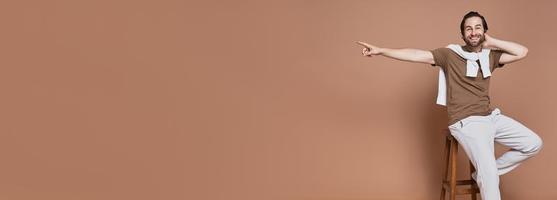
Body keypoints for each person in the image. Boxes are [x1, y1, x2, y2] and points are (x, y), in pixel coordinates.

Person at [356, 11, 543, 200]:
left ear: (485, 31)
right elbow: (416, 55)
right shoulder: (450, 54)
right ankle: (487, 173)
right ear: (462, 34)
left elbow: (522, 52)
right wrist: (381, 50)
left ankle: (485, 173)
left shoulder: (490, 57)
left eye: (478, 27)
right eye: (468, 29)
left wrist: (492, 42)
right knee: (490, 176)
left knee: (533, 143)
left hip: (490, 117)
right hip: (466, 121)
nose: (473, 32)